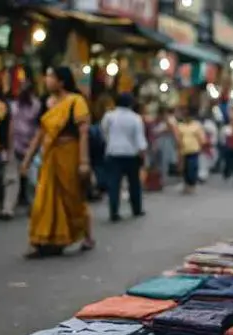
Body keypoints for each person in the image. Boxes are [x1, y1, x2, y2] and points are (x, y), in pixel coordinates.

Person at [20, 66, 95, 258]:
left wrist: (84, 162)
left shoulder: (76, 101)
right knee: (44, 198)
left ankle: (86, 235)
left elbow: (83, 133)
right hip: (50, 156)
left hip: (70, 154)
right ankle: (43, 240)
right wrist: (27, 160)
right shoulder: (48, 102)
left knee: (73, 198)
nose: (46, 80)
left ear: (61, 81)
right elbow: (40, 133)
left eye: (50, 76)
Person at [100, 93, 147, 222]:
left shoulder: (109, 116)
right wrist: (142, 153)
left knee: (114, 184)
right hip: (131, 154)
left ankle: (113, 212)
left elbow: (104, 132)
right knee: (134, 184)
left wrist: (110, 143)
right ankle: (136, 209)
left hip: (113, 153)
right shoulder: (135, 118)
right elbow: (139, 139)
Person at [0, 82, 41, 220]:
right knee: (11, 179)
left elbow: (39, 127)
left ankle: (34, 206)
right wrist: (8, 148)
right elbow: (10, 128)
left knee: (33, 180)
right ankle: (8, 208)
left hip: (31, 147)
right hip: (15, 146)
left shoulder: (36, 106)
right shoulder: (13, 106)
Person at [176, 108, 206, 194]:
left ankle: (192, 184)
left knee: (192, 168)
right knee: (185, 169)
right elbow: (178, 137)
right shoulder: (181, 126)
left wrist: (201, 147)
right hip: (184, 151)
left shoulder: (196, 126)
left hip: (193, 150)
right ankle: (187, 185)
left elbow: (201, 138)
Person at [151, 107, 179, 188]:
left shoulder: (170, 121)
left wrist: (176, 142)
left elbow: (172, 130)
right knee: (157, 161)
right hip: (157, 142)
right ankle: (157, 179)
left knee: (164, 161)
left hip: (165, 142)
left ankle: (162, 179)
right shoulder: (156, 122)